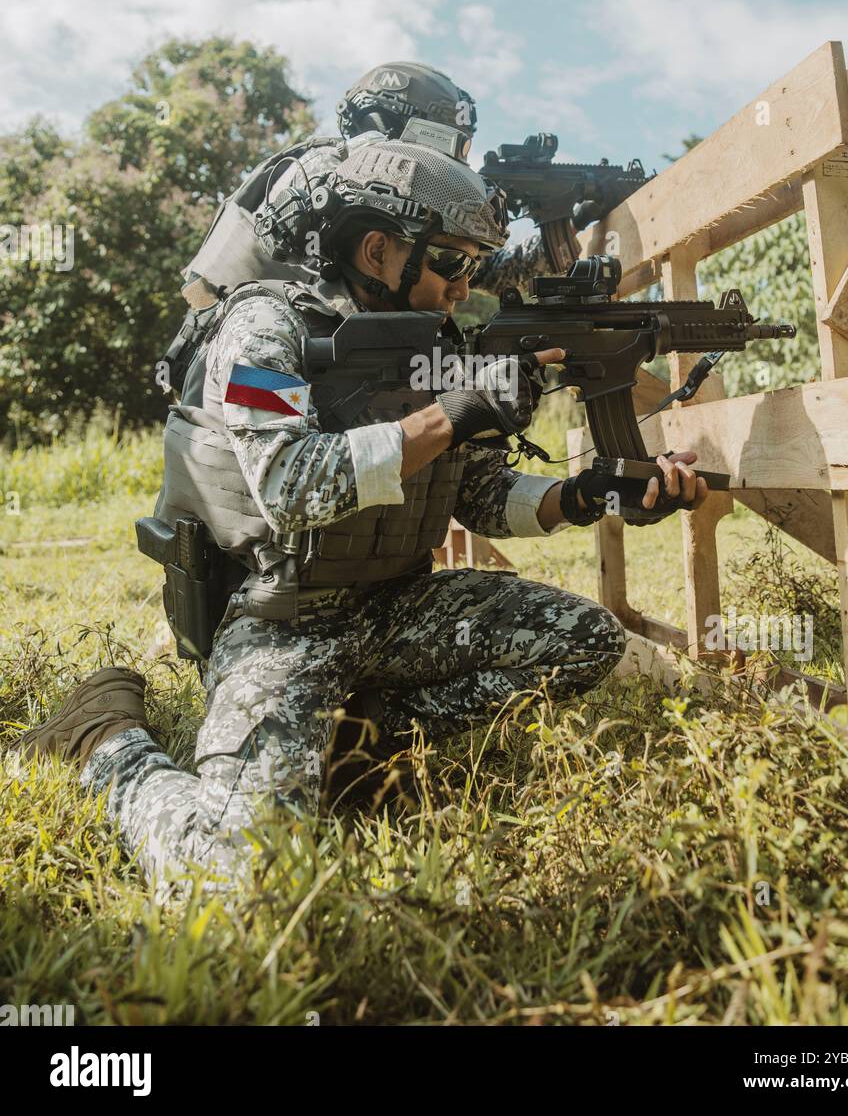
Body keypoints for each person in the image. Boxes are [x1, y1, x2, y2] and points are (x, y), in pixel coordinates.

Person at [19, 136, 706, 896]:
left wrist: (586, 496)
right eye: (451, 262)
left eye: (474, 266)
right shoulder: (263, 332)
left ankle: (358, 742)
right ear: (379, 250)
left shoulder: (440, 342)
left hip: (396, 604)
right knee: (234, 878)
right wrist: (456, 410)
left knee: (584, 641)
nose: (463, 285)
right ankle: (107, 739)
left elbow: (477, 493)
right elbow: (290, 485)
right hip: (283, 619)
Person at [161, 62, 572, 395]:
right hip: (250, 371)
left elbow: (480, 273)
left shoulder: (331, 175)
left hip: (261, 368)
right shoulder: (328, 176)